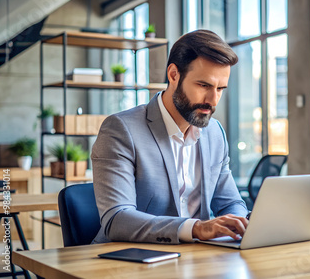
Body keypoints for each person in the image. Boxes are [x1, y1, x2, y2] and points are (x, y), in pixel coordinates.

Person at [91, 30, 248, 244]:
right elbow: (117, 219)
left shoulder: (215, 133)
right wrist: (196, 229)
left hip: (196, 259)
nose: (213, 100)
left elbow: (231, 203)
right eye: (204, 85)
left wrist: (240, 223)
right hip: (128, 261)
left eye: (220, 89)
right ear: (174, 75)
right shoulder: (121, 130)